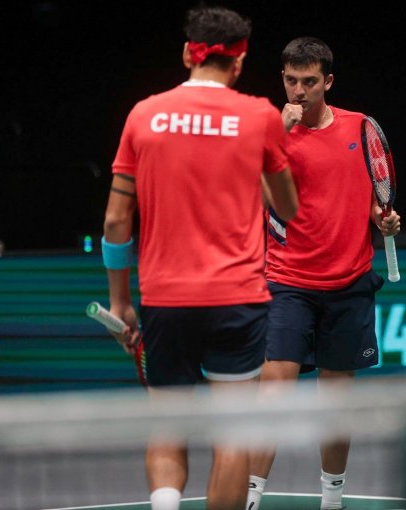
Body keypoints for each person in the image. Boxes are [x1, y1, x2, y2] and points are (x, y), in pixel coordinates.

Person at [101, 5, 298, 510]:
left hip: (166, 299)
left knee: (168, 424)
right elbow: (288, 208)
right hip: (238, 300)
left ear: (188, 52)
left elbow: (115, 221)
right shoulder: (259, 117)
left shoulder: (143, 115)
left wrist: (119, 301)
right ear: (239, 62)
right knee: (232, 435)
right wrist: (253, 158)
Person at [246, 37, 401, 510]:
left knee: (336, 408)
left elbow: (378, 199)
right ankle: (251, 498)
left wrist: (385, 220)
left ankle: (332, 500)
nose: (299, 91)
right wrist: (277, 135)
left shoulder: (360, 127)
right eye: (291, 81)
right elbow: (244, 190)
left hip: (348, 283)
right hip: (287, 281)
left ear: (327, 82)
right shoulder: (269, 132)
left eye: (309, 81)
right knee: (271, 396)